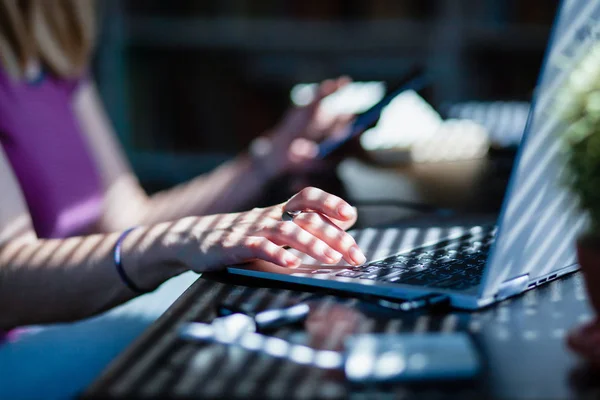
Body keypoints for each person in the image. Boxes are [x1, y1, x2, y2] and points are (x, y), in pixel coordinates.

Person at [0, 0, 366, 330]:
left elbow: (126, 220)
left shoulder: (54, 48)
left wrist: (267, 160)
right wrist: (180, 238)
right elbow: (7, 282)